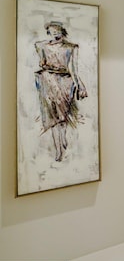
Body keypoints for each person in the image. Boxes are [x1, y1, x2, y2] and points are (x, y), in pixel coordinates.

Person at [34, 21, 87, 161]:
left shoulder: (71, 47)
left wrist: (80, 86)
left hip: (65, 82)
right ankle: (58, 148)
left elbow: (74, 69)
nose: (55, 32)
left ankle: (62, 140)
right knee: (51, 117)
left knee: (62, 116)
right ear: (48, 32)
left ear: (62, 30)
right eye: (52, 30)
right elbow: (43, 63)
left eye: (57, 30)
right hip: (47, 81)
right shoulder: (41, 46)